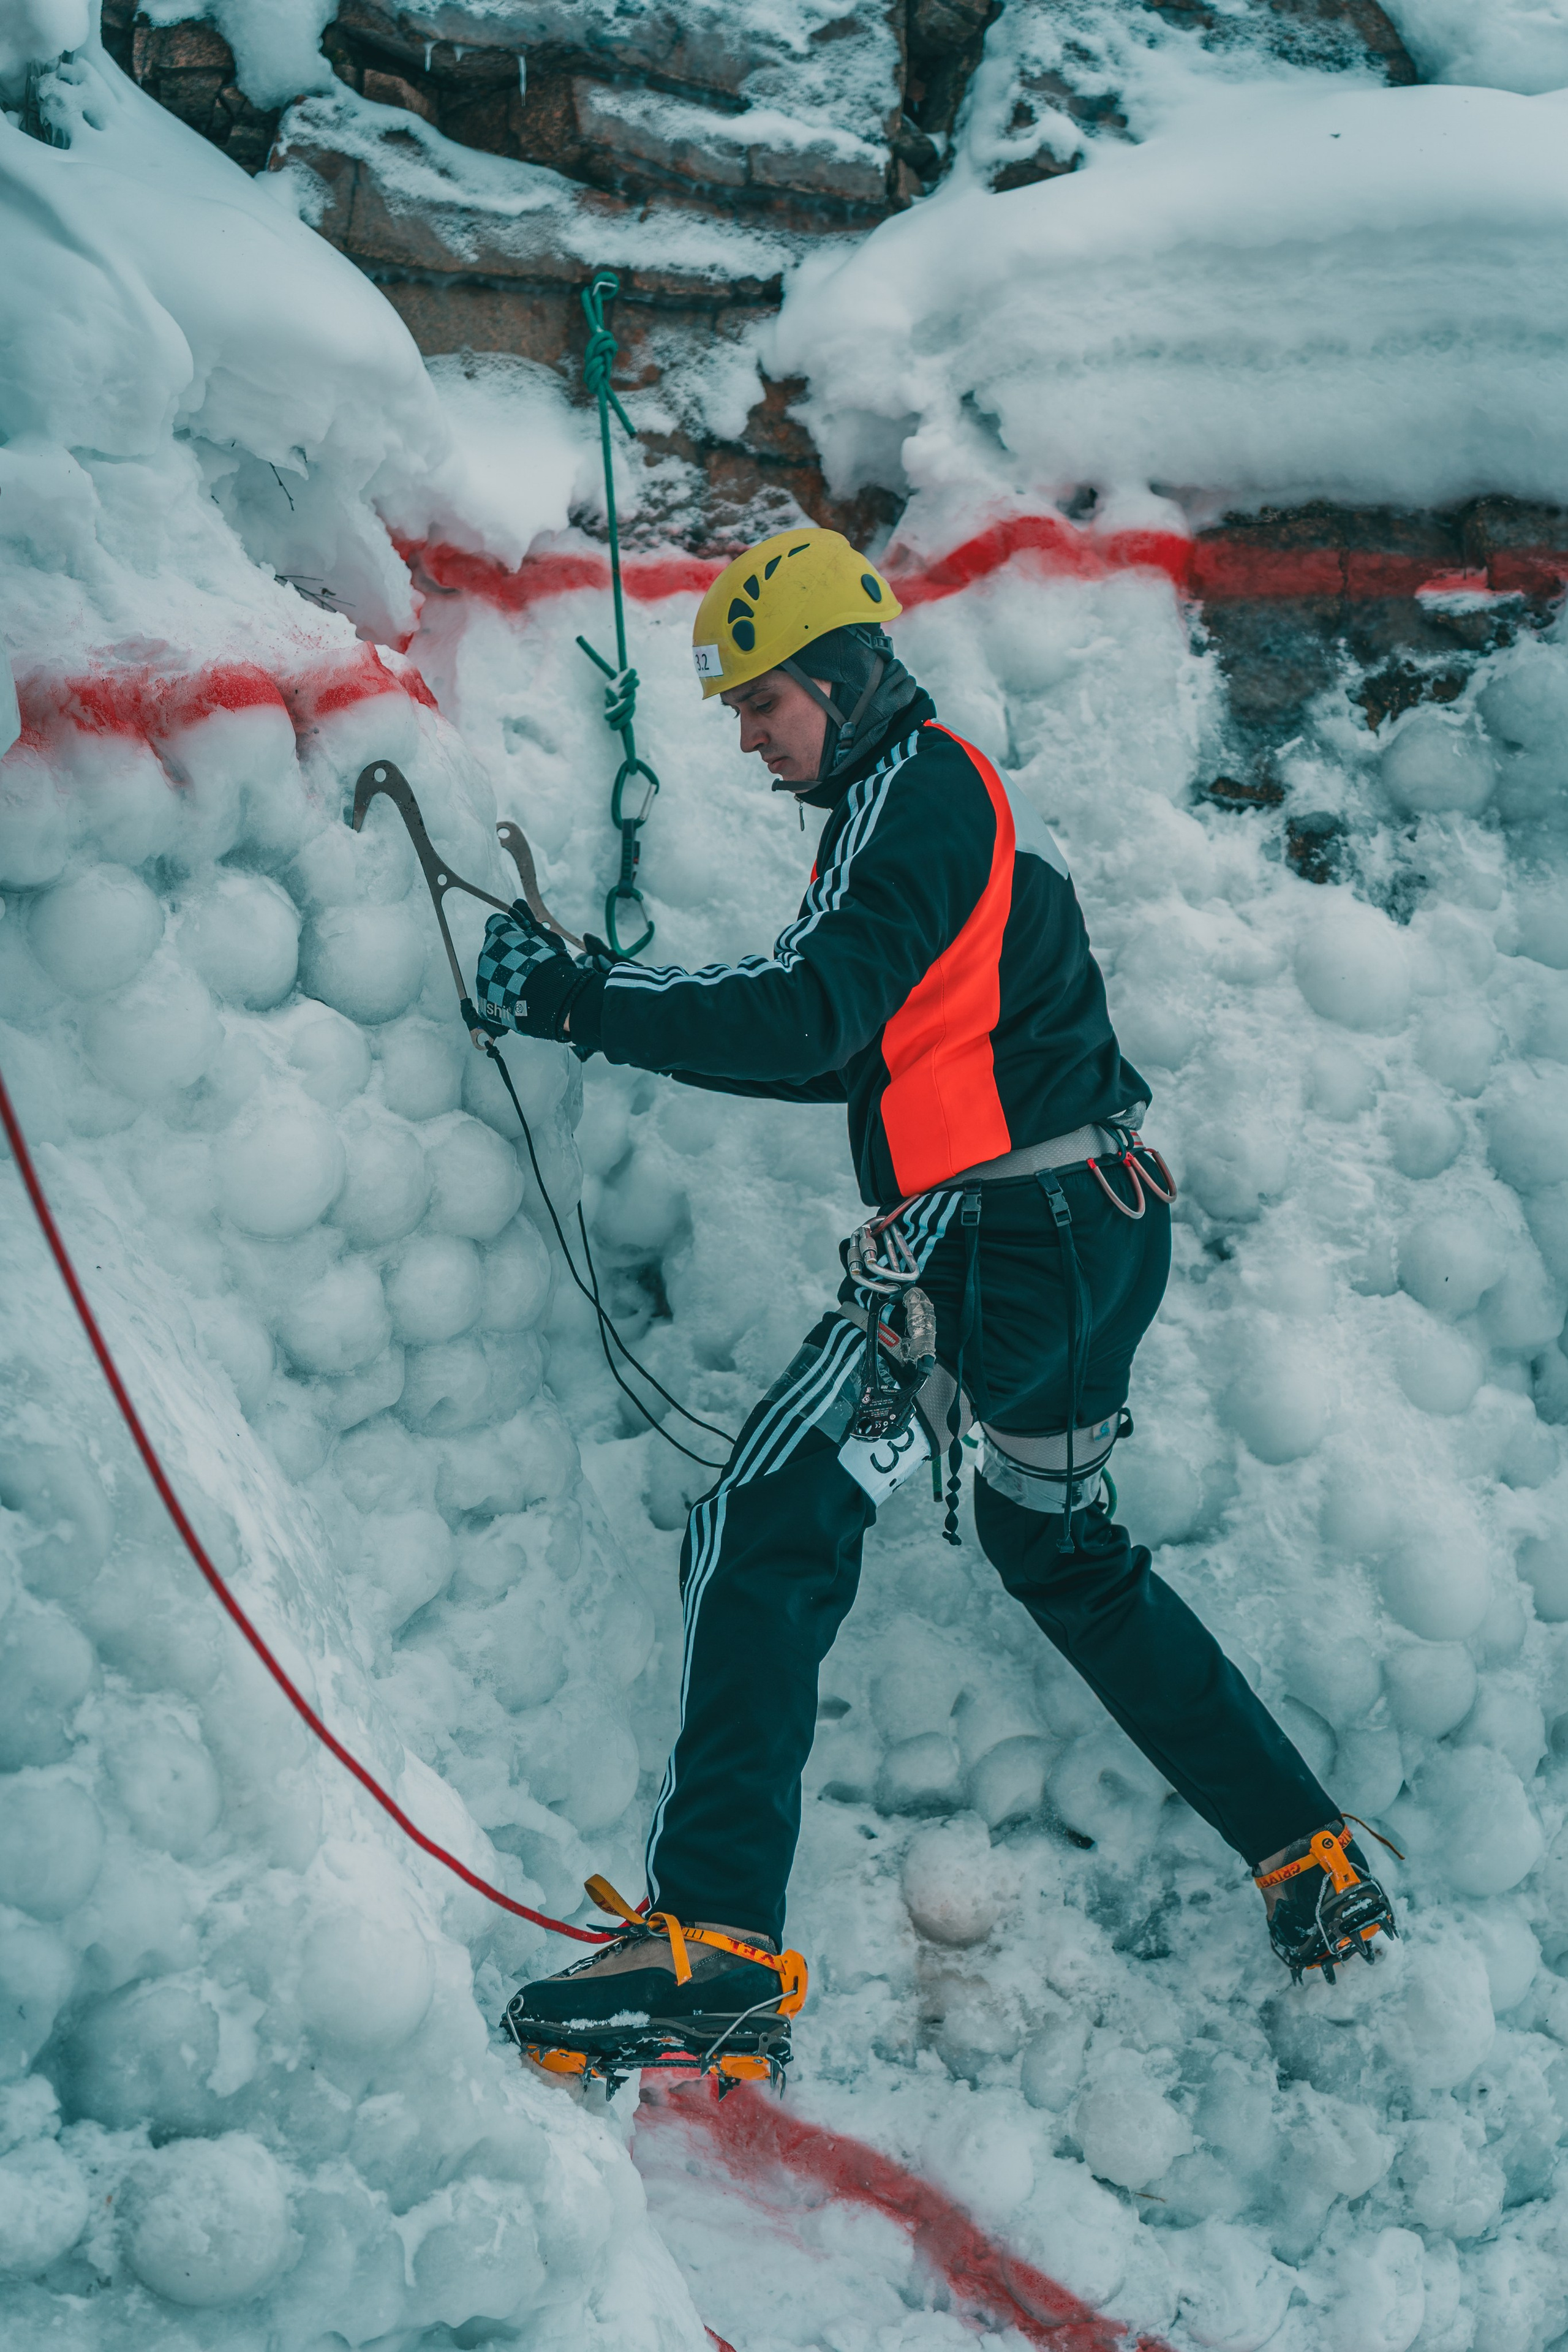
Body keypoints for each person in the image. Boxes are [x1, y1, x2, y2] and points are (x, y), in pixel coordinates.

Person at [475, 527, 1397, 2081]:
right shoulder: (942, 829)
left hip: (1001, 1243)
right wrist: (611, 996)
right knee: (1057, 1550)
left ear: (836, 674)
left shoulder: (915, 799)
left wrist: (566, 999)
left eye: (759, 704)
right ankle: (1304, 1854)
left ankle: (708, 1947)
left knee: (764, 1519)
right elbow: (858, 1039)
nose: (747, 738)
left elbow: (802, 1017)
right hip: (1089, 1235)